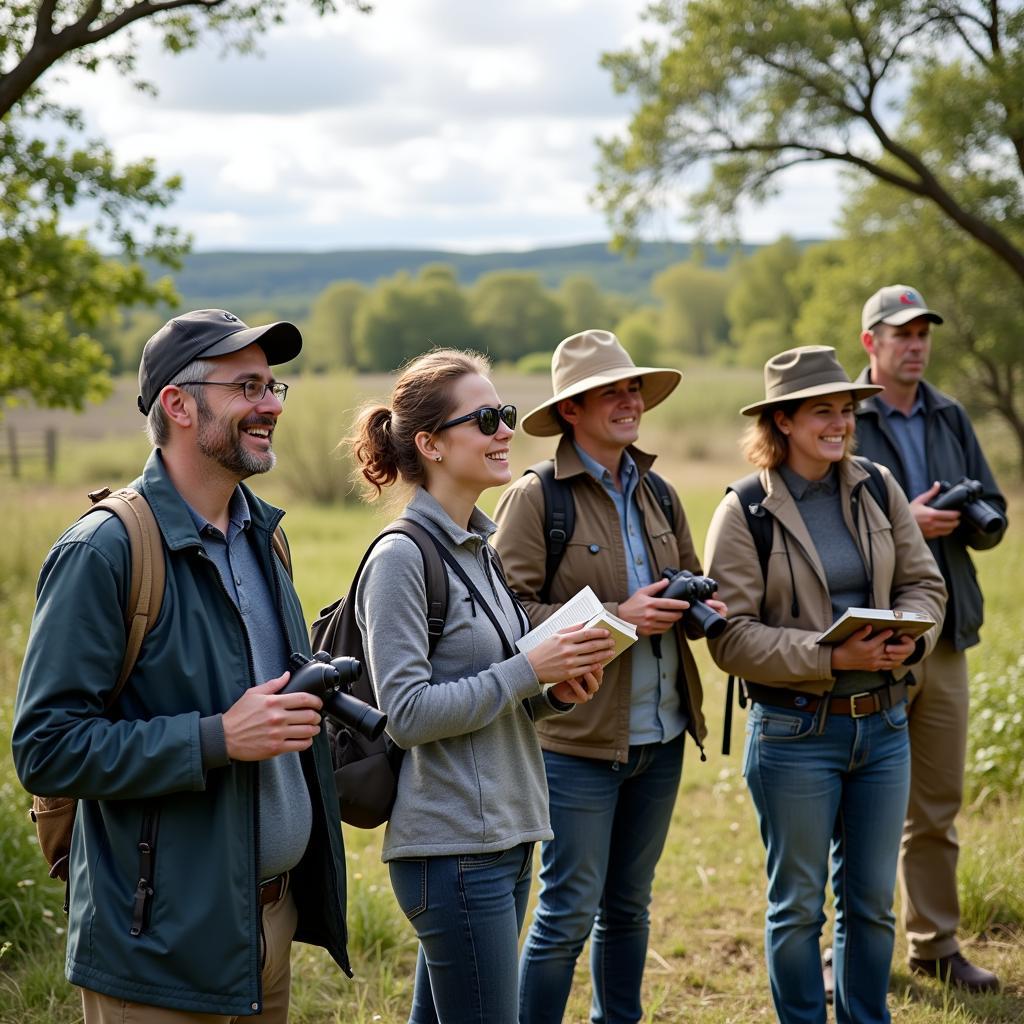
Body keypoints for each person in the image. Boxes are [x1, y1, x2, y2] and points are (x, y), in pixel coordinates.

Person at [12, 309, 349, 1022]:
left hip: (268, 926)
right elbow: (45, 748)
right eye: (247, 387)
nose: (270, 406)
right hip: (154, 949)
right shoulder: (103, 552)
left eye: (273, 387)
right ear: (178, 404)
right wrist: (216, 739)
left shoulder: (265, 537)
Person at [347, 348, 614, 1024]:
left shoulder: (480, 550)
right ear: (430, 444)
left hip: (506, 834)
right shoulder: (401, 558)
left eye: (508, 415)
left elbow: (499, 680)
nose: (505, 432)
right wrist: (529, 670)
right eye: (487, 418)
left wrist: (555, 688)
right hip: (453, 850)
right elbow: (404, 713)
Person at [704, 345, 947, 1024]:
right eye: (822, 413)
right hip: (793, 734)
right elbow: (730, 637)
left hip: (885, 724)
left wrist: (910, 634)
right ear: (782, 421)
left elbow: (924, 583)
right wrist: (830, 658)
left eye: (846, 411)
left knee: (871, 902)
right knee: (798, 906)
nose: (840, 425)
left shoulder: (877, 485)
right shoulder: (745, 511)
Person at [493, 329, 725, 1024]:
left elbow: (683, 582)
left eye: (633, 389)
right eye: (610, 392)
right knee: (566, 914)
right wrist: (616, 618)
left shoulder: (658, 491)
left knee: (629, 908)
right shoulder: (537, 498)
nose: (629, 402)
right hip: (576, 743)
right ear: (571, 409)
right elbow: (506, 614)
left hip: (663, 734)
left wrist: (694, 604)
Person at [853, 285, 1008, 991]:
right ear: (871, 343)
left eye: (923, 334)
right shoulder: (841, 415)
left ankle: (935, 946)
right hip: (872, 636)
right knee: (857, 804)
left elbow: (995, 506)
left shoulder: (949, 413)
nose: (915, 345)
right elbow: (826, 524)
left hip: (946, 636)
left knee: (937, 804)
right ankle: (851, 951)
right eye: (900, 333)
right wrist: (905, 524)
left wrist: (967, 518)